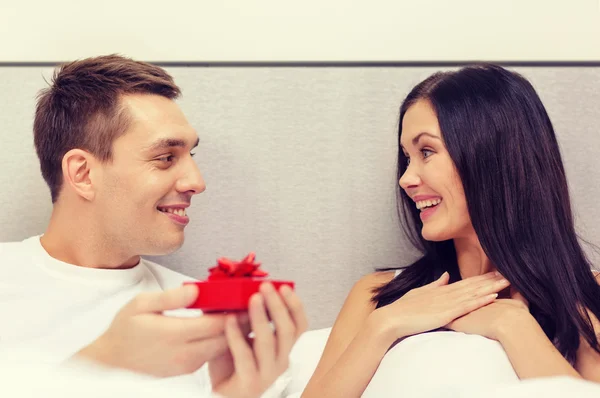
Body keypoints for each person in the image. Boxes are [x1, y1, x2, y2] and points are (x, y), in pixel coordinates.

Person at [0, 54, 307, 398]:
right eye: (165, 158)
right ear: (83, 174)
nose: (196, 181)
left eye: (191, 156)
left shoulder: (209, 324)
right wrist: (101, 364)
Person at [301, 63, 600, 397]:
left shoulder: (584, 294)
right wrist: (384, 325)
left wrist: (512, 325)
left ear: (491, 156)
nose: (406, 179)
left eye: (426, 151)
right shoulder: (377, 296)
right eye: (407, 157)